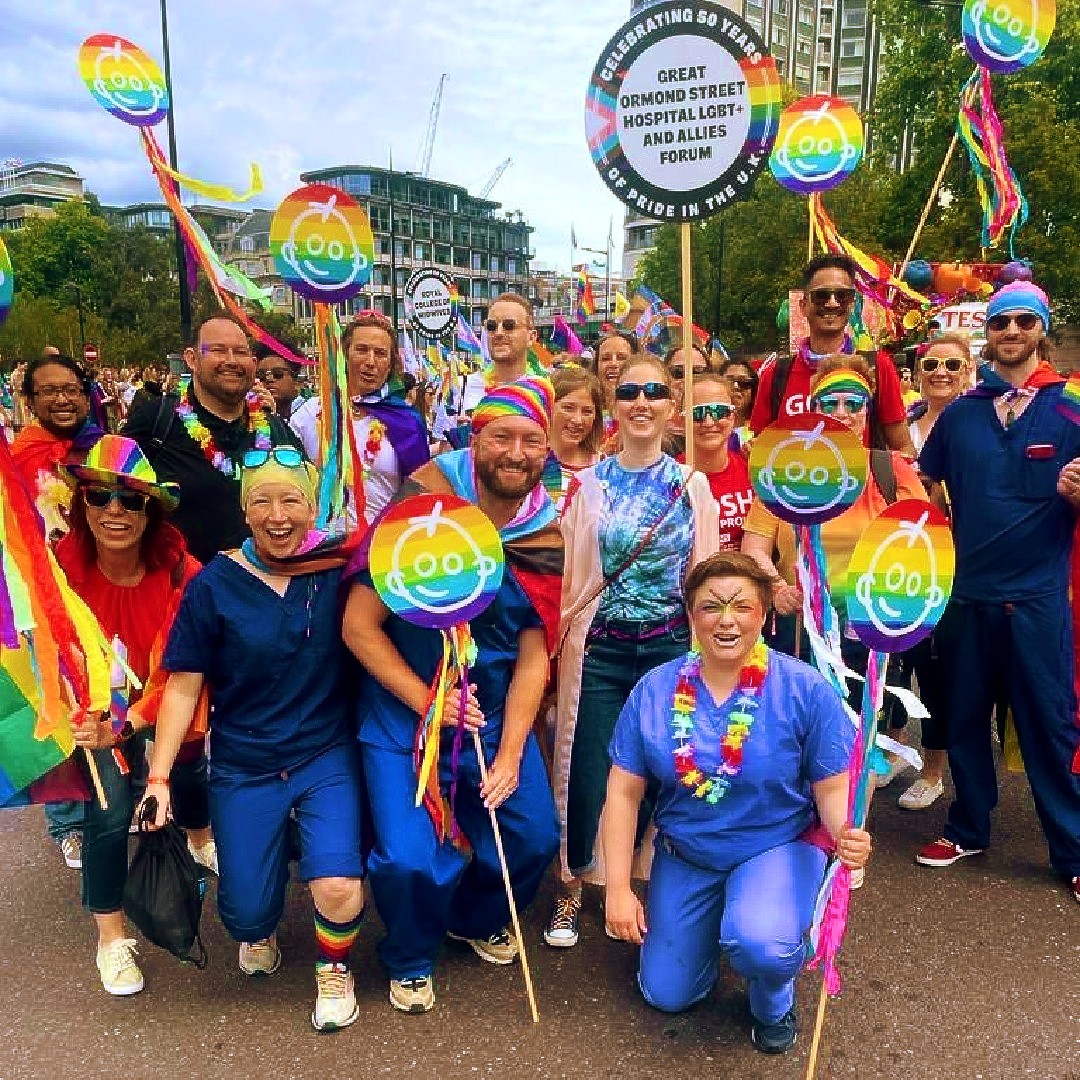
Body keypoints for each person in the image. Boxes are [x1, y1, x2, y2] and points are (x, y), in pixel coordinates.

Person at [342, 376, 563, 1014]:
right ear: (475, 437)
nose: (516, 453)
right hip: (404, 717)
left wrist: (512, 753)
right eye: (501, 437)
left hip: (489, 716)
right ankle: (410, 954)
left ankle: (471, 917)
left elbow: (532, 658)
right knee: (410, 858)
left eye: (531, 441)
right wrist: (427, 701)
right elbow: (358, 626)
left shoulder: (543, 533)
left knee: (532, 836)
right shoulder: (419, 507)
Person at [602, 552, 870, 1055]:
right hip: (688, 853)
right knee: (667, 993)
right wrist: (617, 888)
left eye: (742, 606)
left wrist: (846, 837)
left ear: (764, 614)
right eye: (711, 606)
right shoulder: (654, 689)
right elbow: (623, 792)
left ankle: (773, 999)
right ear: (691, 615)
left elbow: (833, 786)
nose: (727, 620)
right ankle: (711, 931)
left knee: (761, 944)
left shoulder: (804, 687)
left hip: (775, 846)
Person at [138, 446, 366, 1031]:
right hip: (245, 762)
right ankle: (261, 913)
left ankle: (333, 968)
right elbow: (183, 686)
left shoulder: (337, 570)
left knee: (338, 883)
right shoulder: (214, 585)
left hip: (325, 754)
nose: (278, 515)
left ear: (312, 507)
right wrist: (159, 778)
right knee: (245, 914)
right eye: (262, 501)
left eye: (291, 500)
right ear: (244, 510)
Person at [914, 282, 1080, 906]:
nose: (1011, 331)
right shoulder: (961, 413)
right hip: (967, 597)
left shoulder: (1072, 407)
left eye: (1023, 321)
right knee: (963, 719)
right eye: (1000, 321)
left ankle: (1073, 851)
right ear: (988, 332)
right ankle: (968, 829)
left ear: (1041, 329)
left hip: (1039, 600)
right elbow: (926, 488)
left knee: (1049, 726)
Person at [549, 354, 720, 949]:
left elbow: (703, 575)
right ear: (613, 405)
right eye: (628, 392)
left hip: (669, 647)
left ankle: (639, 880)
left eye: (653, 392)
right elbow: (572, 577)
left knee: (663, 768)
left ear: (672, 405)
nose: (641, 402)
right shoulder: (589, 486)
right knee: (585, 770)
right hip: (602, 648)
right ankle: (572, 883)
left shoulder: (693, 487)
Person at [55, 435, 210, 996]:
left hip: (165, 693)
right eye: (99, 497)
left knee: (186, 765)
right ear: (82, 506)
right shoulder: (58, 572)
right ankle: (111, 937)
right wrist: (88, 718)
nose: (114, 510)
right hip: (93, 708)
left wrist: (131, 722)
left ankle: (198, 836)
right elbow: (49, 650)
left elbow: (179, 673)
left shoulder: (182, 572)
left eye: (131, 499)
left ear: (151, 512)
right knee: (110, 808)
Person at [742, 355, 925, 669]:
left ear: (867, 411)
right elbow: (754, 548)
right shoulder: (783, 474)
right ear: (814, 410)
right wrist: (777, 588)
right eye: (830, 403)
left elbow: (922, 544)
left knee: (867, 703)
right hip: (800, 630)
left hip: (871, 630)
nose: (842, 413)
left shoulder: (890, 469)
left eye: (853, 403)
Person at [11, 353, 106, 869]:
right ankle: (68, 822)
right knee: (62, 701)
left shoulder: (101, 447)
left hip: (104, 587)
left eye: (71, 389)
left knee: (109, 695)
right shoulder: (18, 460)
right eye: (49, 391)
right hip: (50, 599)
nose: (63, 399)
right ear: (30, 400)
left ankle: (117, 796)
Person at [125, 316, 302, 565]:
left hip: (262, 581)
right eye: (218, 350)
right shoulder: (155, 420)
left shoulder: (276, 429)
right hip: (178, 582)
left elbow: (306, 503)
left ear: (253, 363)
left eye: (240, 352)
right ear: (192, 359)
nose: (231, 361)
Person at [896, 335, 974, 811]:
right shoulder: (902, 426)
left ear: (968, 370)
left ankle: (933, 769)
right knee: (895, 660)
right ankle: (894, 750)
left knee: (937, 669)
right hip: (900, 559)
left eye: (952, 364)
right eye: (931, 364)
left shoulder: (979, 422)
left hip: (955, 564)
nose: (940, 372)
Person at [750, 255, 913, 456]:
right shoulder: (776, 375)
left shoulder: (876, 366)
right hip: (795, 475)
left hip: (860, 476)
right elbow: (760, 453)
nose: (832, 303)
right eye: (821, 296)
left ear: (852, 304)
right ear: (803, 305)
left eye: (842, 295)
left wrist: (890, 465)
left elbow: (904, 448)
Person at [290, 311, 429, 528]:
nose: (370, 362)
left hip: (379, 543)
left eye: (380, 353)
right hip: (318, 544)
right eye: (362, 350)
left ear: (391, 364)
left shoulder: (407, 422)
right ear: (345, 355)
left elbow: (419, 496)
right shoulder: (309, 413)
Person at [681, 373, 754, 551]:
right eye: (697, 414)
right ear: (682, 421)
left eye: (719, 412)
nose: (708, 422)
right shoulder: (669, 477)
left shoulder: (753, 472)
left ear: (733, 417)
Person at [546, 367, 604, 514]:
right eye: (568, 408)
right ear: (548, 407)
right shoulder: (531, 460)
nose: (578, 420)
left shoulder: (604, 468)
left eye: (587, 412)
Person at [592, 328, 641, 451]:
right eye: (605, 358)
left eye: (621, 357)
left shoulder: (646, 407)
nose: (613, 364)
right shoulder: (587, 409)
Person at [662, 341, 710, 456]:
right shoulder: (651, 426)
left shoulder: (718, 425)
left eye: (697, 373)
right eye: (678, 372)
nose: (687, 379)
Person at [718, 357, 759, 450]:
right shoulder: (708, 425)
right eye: (729, 382)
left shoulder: (761, 430)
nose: (736, 386)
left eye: (743, 382)